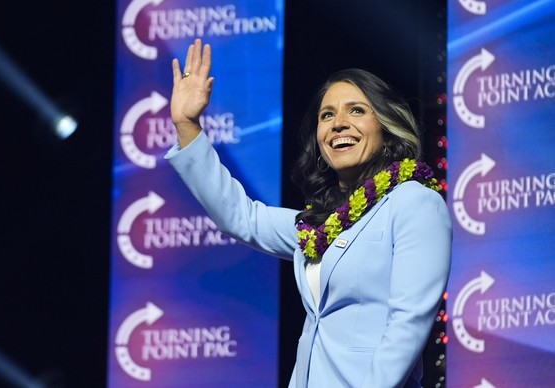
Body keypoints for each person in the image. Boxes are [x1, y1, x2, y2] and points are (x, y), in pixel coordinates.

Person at [165, 39, 452, 388]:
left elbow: (408, 324)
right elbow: (242, 217)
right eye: (327, 115)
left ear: (386, 124)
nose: (339, 124)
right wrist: (187, 125)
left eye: (357, 111)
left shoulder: (413, 202)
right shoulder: (318, 225)